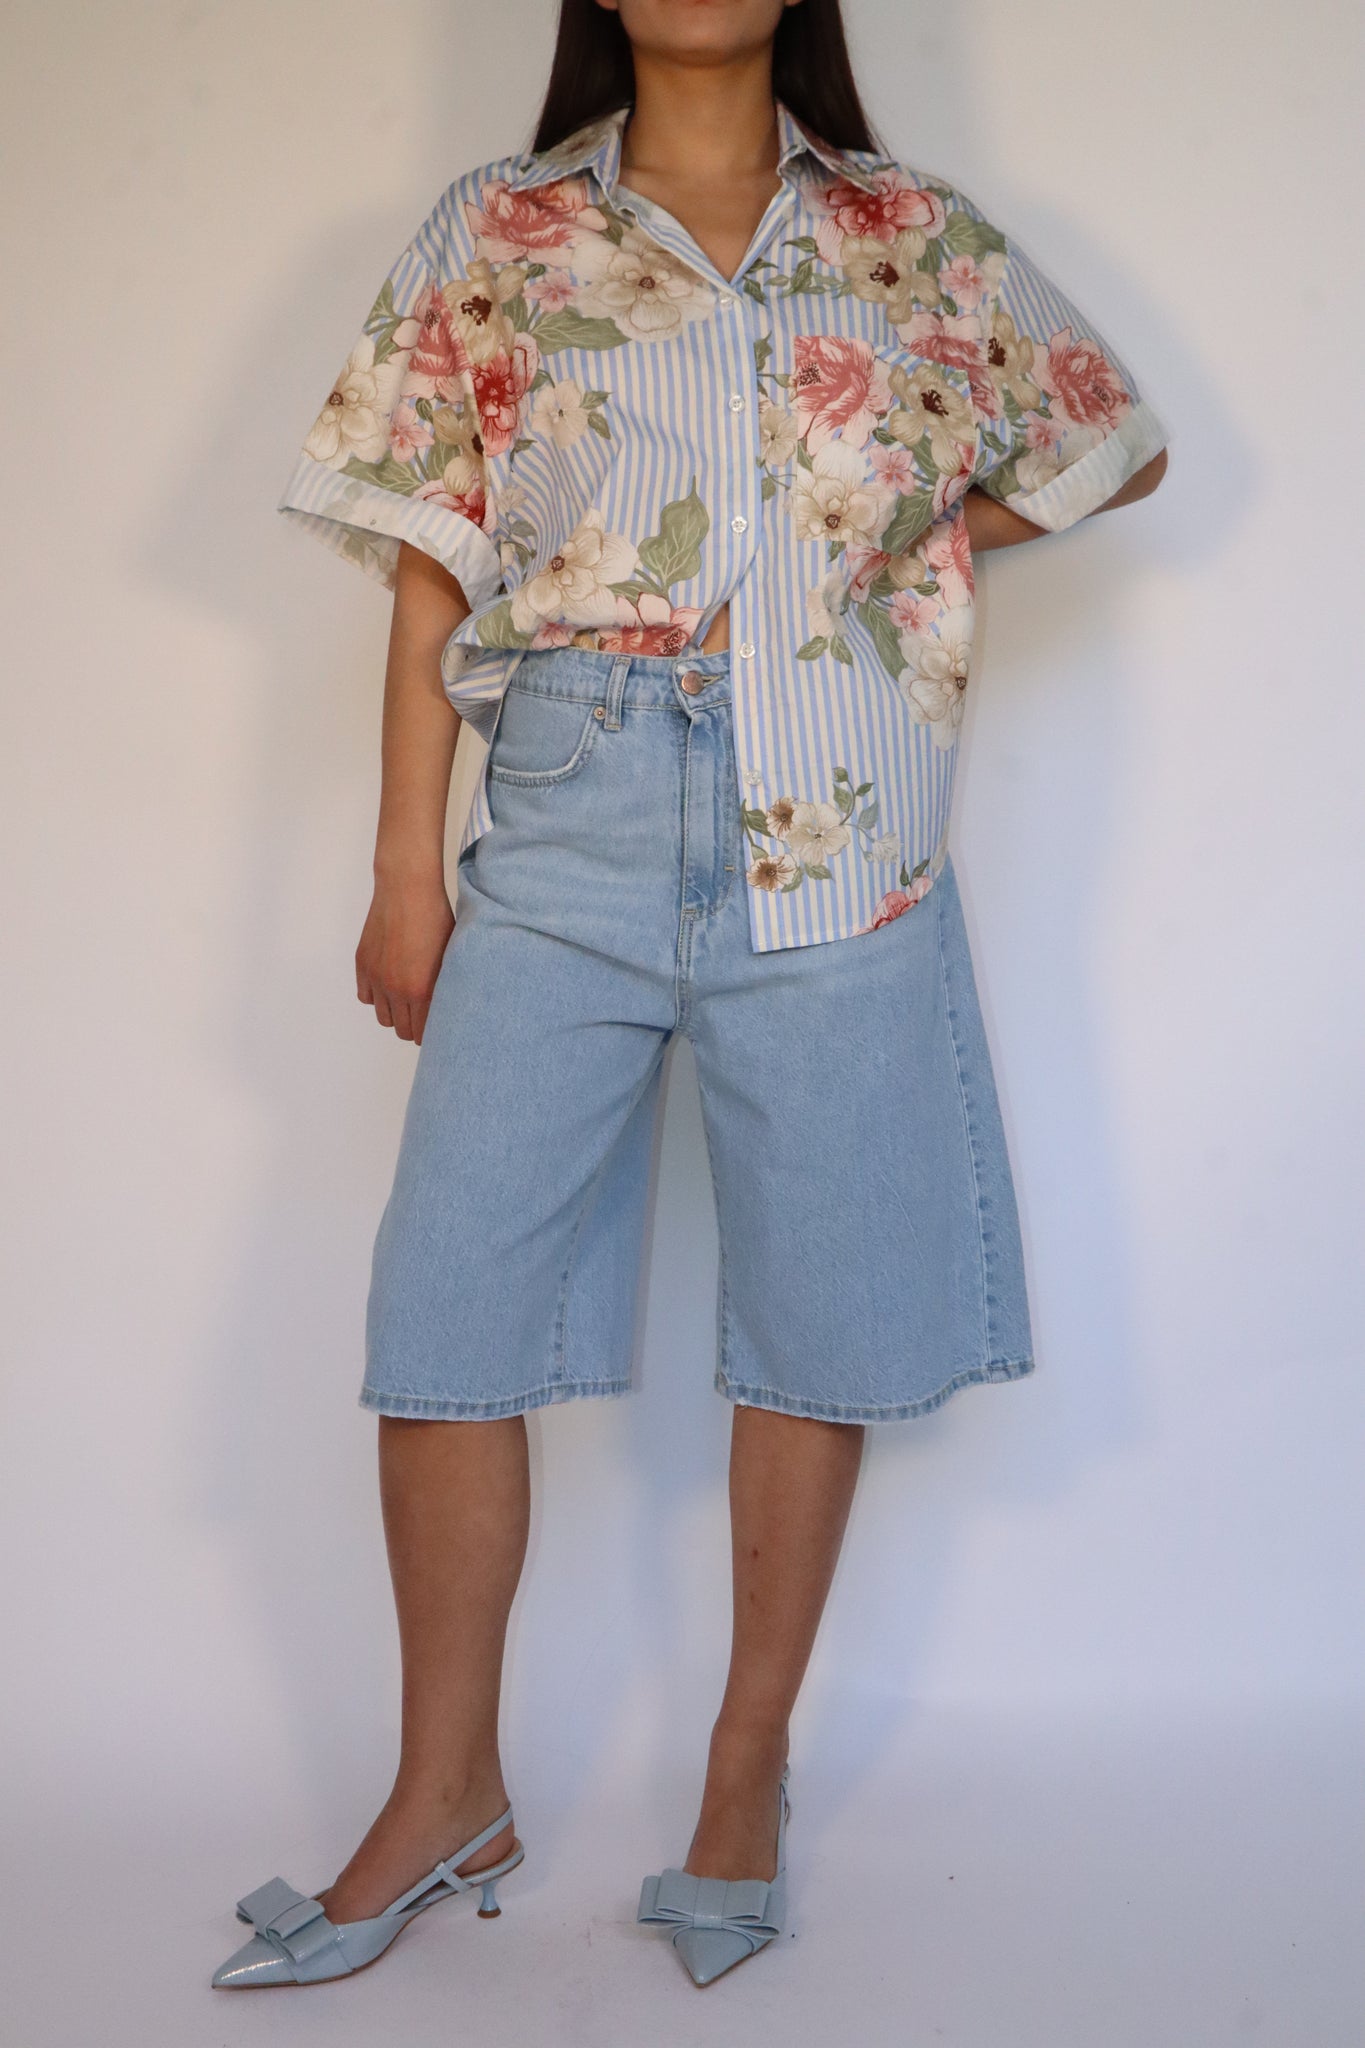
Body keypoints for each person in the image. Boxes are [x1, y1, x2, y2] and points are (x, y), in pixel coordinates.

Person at [212, 0, 1168, 1994]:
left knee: (815, 1306)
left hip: (837, 814)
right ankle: (444, 1788)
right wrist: (405, 867)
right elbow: (430, 549)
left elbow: (1109, 440)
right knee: (445, 1308)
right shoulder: (502, 228)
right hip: (567, 800)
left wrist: (885, 538)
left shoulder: (907, 233)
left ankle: (744, 1770)